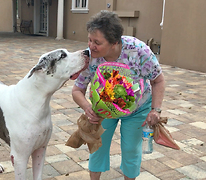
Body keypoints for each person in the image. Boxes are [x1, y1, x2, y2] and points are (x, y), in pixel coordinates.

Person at [72, 11, 165, 180]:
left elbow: (158, 80)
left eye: (97, 42)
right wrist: (87, 107)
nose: (91, 46)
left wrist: (155, 110)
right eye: (90, 40)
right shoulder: (89, 57)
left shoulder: (139, 51)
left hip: (137, 109)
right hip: (103, 109)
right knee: (97, 146)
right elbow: (77, 90)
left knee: (131, 149)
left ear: (114, 43)